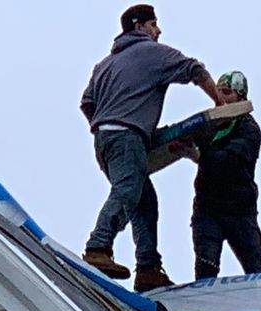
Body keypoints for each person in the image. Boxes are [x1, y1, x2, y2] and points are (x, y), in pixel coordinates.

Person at [80, 5, 222, 292]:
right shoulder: (152, 53)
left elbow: (87, 104)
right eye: (154, 24)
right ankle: (98, 246)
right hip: (126, 136)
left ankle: (148, 269)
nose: (158, 31)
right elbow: (194, 68)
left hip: (105, 139)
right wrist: (222, 103)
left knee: (145, 203)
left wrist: (109, 123)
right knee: (129, 190)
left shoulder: (104, 65)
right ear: (139, 27)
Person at [190, 70, 261, 281]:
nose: (221, 99)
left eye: (227, 92)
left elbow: (227, 159)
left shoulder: (249, 129)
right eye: (218, 93)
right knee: (206, 268)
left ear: (240, 97)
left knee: (257, 269)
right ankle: (204, 306)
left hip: (239, 210)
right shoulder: (209, 127)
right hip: (207, 208)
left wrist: (197, 152)